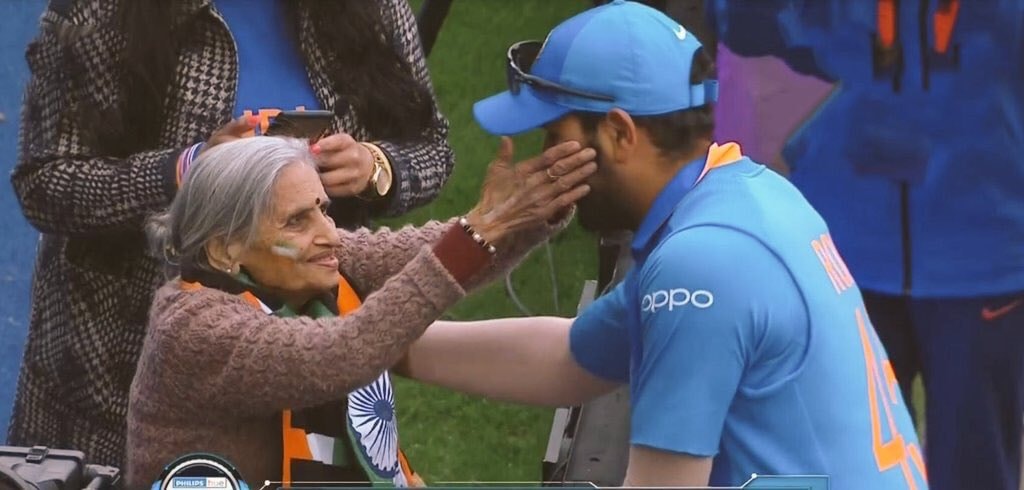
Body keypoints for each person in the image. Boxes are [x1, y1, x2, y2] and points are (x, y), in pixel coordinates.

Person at [390, 2, 927, 488]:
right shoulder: (742, 198)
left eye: (554, 135)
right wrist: (378, 343)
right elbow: (569, 357)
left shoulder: (701, 267)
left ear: (621, 133)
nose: (543, 159)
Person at [8, 0, 455, 468]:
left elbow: (432, 146)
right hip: (111, 368)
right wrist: (186, 171)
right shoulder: (98, 11)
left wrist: (376, 167)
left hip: (311, 368)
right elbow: (46, 183)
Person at [125, 134, 596, 488]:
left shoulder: (311, 257)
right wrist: (474, 235)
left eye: (323, 210)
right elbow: (338, 354)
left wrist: (526, 213)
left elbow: (418, 253)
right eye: (297, 220)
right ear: (226, 248)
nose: (329, 233)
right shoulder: (191, 327)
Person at [709, 1, 1024, 489]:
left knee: (976, 468)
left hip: (985, 254)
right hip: (842, 243)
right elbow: (748, 28)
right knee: (840, 463)